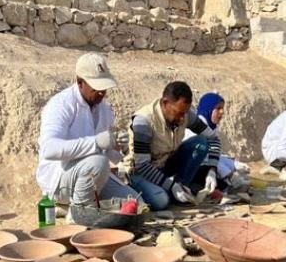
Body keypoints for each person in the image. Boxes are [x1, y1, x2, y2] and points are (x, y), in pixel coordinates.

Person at [36, 53, 138, 209]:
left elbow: (105, 150)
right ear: (79, 82)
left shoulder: (103, 109)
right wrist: (96, 142)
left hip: (91, 176)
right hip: (60, 179)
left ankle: (85, 207)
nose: (101, 93)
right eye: (96, 88)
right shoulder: (60, 105)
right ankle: (78, 213)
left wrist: (117, 146)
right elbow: (49, 149)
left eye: (104, 87)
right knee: (98, 162)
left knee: (135, 204)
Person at [123, 81, 222, 210]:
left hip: (165, 165)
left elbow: (213, 138)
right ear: (165, 103)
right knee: (161, 201)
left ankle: (181, 189)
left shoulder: (185, 114)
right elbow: (142, 166)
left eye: (184, 113)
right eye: (179, 113)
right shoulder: (144, 122)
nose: (182, 119)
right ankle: (171, 191)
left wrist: (212, 170)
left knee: (200, 144)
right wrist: (172, 185)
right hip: (141, 172)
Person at [184, 92, 250, 193]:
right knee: (206, 172)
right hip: (189, 170)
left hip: (204, 166)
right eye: (218, 108)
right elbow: (202, 157)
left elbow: (215, 153)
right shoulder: (195, 129)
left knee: (222, 167)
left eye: (222, 108)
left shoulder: (211, 128)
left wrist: (233, 164)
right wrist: (228, 174)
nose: (222, 112)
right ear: (208, 109)